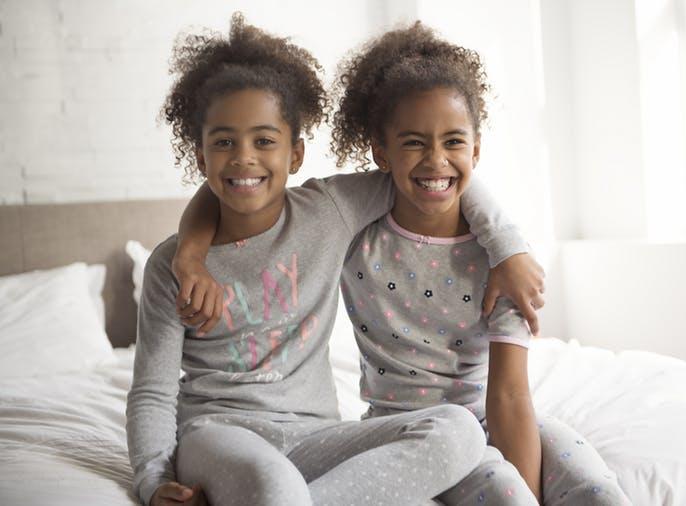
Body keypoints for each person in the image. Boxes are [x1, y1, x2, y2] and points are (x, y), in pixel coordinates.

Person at [127, 13, 544, 506]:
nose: (244, 158)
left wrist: (507, 246)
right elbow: (152, 393)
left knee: (459, 431)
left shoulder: (329, 212)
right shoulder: (170, 268)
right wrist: (153, 481)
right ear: (201, 158)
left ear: (296, 155)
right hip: (216, 434)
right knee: (275, 487)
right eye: (224, 143)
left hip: (315, 438)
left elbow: (436, 173)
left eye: (264, 141)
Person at [329, 22, 633, 505]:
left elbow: (511, 396)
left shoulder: (502, 260)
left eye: (453, 141)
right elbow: (268, 211)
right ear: (380, 152)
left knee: (601, 493)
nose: (435, 160)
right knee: (502, 493)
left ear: (475, 149)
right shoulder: (351, 234)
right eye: (413, 143)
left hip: (493, 415)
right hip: (404, 431)